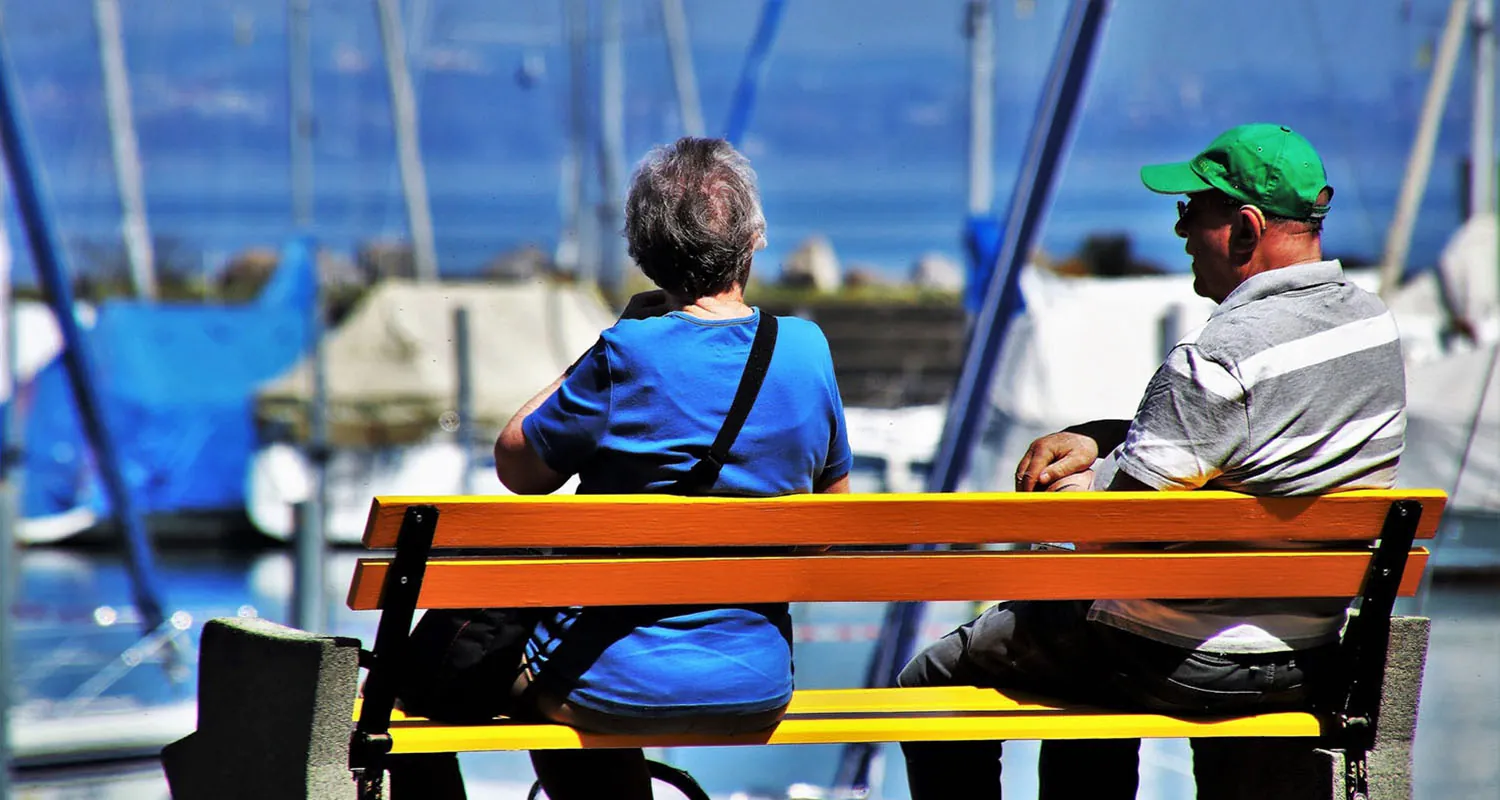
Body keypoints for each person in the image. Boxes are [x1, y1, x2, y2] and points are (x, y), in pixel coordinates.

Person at [899, 123, 1407, 799]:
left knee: (934, 680)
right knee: (1085, 653)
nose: (1180, 229)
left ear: (1246, 229)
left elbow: (1114, 535)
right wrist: (1106, 437)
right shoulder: (1372, 329)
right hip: (1308, 654)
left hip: (1187, 658)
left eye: (1191, 210)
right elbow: (1249, 448)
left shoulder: (1218, 357)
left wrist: (1068, 496)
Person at [388, 137, 852, 800]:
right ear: (755, 239)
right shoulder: (807, 349)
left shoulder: (627, 352)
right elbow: (825, 527)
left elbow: (517, 466)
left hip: (606, 684)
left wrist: (599, 352)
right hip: (756, 683)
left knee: (407, 699)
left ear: (644, 254)